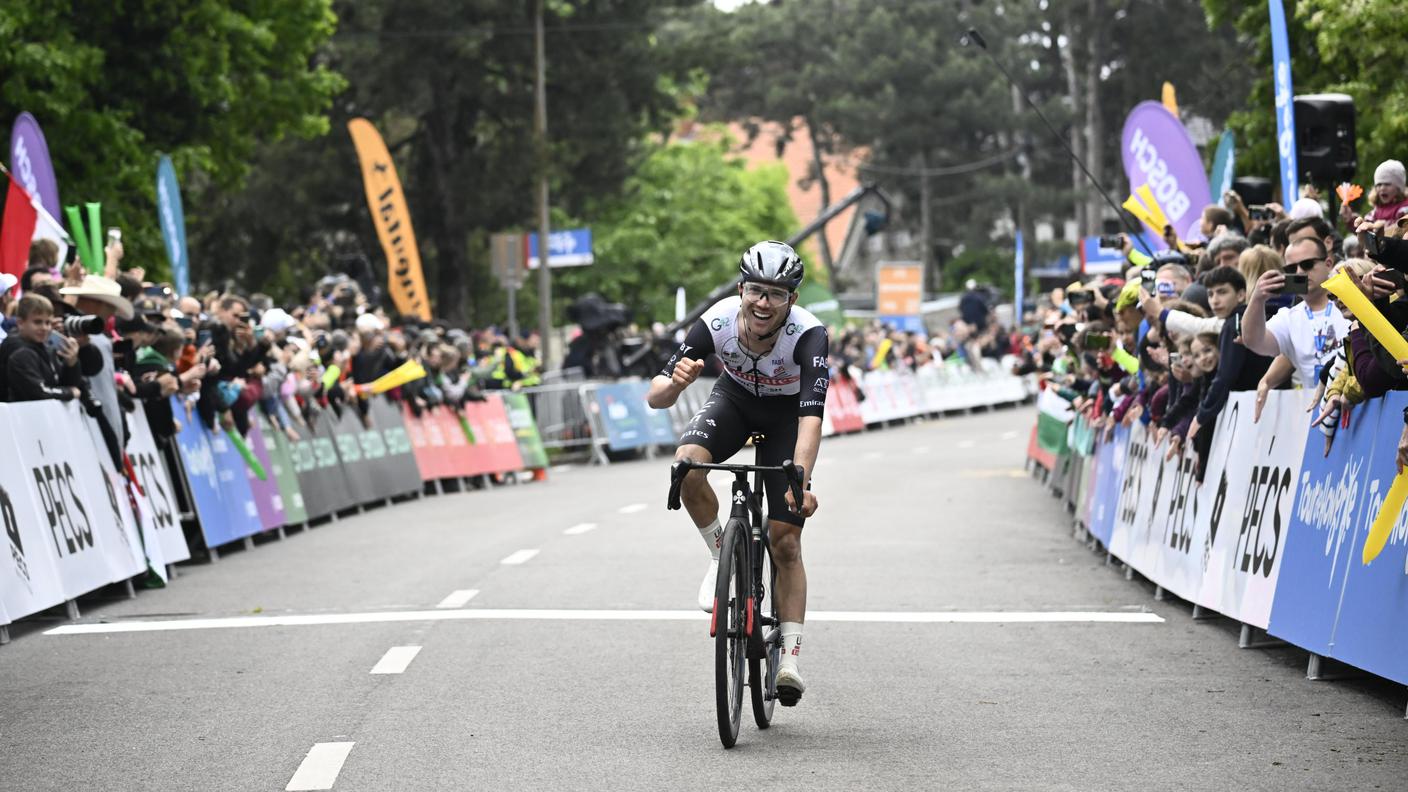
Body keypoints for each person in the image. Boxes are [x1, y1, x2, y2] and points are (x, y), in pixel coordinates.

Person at [647, 240, 826, 707]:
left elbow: (811, 419)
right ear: (741, 288)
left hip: (787, 417)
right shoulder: (717, 320)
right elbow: (655, 396)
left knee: (786, 542)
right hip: (735, 401)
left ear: (792, 299)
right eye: (756, 291)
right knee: (687, 465)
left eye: (777, 294)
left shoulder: (809, 335)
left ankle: (789, 659)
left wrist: (800, 481)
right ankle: (719, 554)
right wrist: (674, 384)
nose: (764, 303)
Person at [1239, 236, 1349, 390]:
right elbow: (1254, 341)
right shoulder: (1289, 317)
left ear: (1328, 264)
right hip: (1317, 403)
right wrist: (1257, 299)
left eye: (1307, 265)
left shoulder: (1349, 303)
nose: (1299, 272)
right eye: (1291, 269)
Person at [1, 294, 82, 402]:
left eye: (48, 322)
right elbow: (37, 392)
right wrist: (69, 393)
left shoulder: (46, 348)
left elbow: (63, 384)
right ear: (20, 323)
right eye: (37, 322)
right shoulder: (20, 352)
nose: (44, 328)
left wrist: (71, 363)